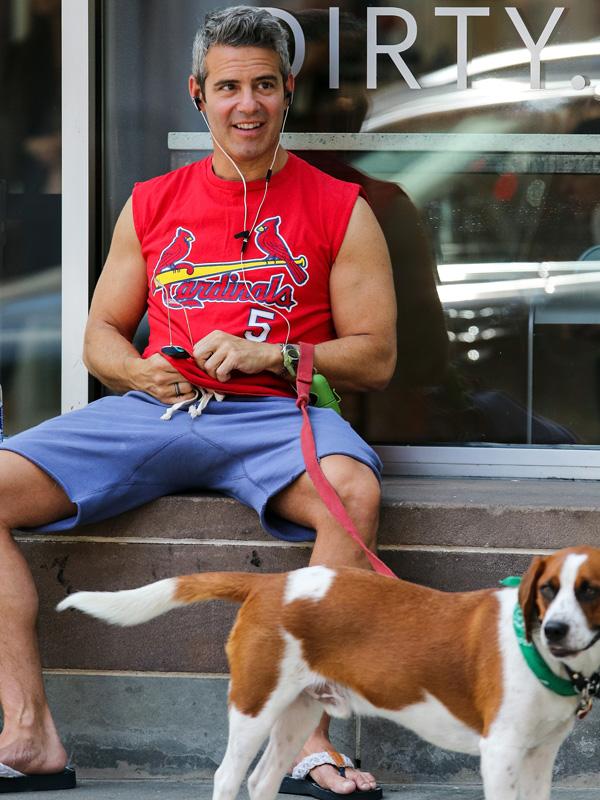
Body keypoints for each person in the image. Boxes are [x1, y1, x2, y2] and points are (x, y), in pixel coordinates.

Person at [0, 6, 396, 797]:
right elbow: (100, 336)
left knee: (353, 488)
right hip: (162, 408)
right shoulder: (152, 202)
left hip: (278, 416)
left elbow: (376, 358)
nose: (245, 104)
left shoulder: (340, 207)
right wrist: (139, 372)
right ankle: (28, 732)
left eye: (261, 86)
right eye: (227, 87)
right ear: (197, 94)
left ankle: (307, 743)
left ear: (288, 92)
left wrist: (272, 353)